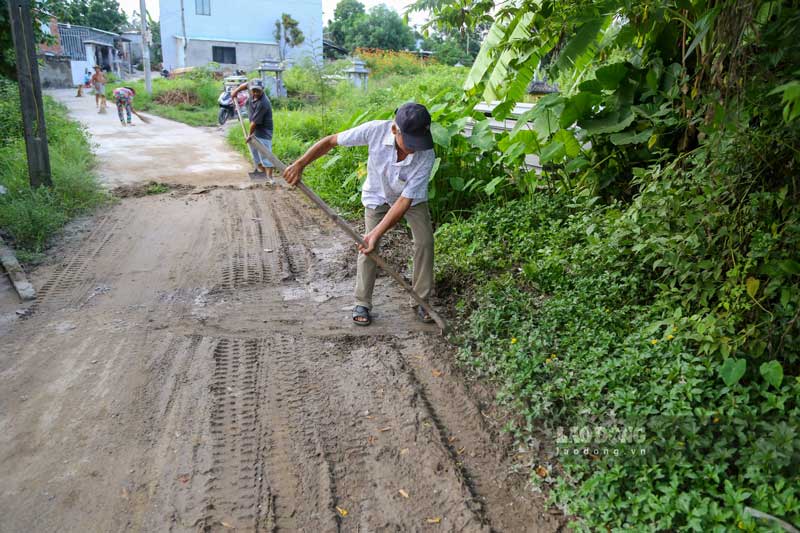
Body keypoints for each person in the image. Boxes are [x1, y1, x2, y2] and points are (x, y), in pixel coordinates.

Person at [284, 103, 437, 326]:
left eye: (419, 142)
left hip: (410, 200)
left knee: (425, 242)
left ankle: (421, 301)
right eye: (410, 142)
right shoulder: (375, 130)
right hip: (377, 196)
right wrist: (300, 164)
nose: (414, 149)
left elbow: (405, 201)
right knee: (368, 246)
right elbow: (331, 141)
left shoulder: (426, 154)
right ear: (395, 130)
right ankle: (362, 302)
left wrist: (377, 232)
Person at [231, 79, 274, 179]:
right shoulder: (252, 91)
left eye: (258, 91)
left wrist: (249, 135)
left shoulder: (263, 103)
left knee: (265, 156)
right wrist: (235, 91)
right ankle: (262, 174)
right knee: (255, 156)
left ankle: (270, 179)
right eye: (253, 90)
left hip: (264, 133)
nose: (255, 93)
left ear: (262, 90)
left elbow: (254, 123)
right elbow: (246, 84)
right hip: (254, 130)